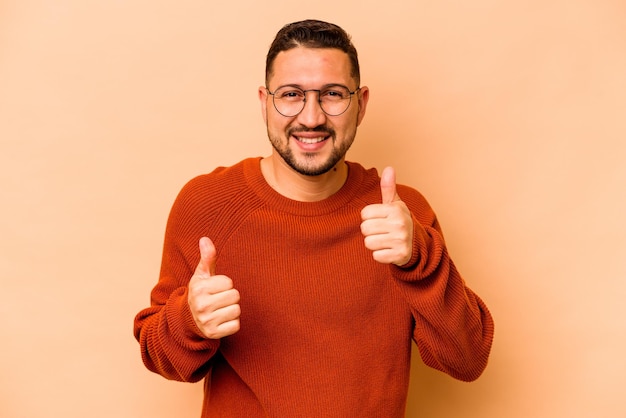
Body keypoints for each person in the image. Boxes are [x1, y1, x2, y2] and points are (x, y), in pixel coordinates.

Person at [133, 19, 494, 418]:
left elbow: (467, 360)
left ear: (361, 104)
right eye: (291, 95)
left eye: (333, 94)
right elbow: (159, 356)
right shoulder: (207, 203)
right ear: (264, 101)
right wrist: (190, 321)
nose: (311, 118)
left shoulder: (403, 217)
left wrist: (419, 259)